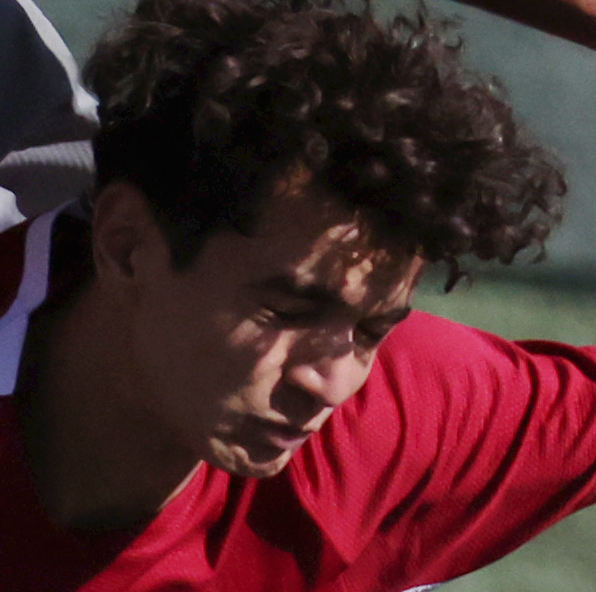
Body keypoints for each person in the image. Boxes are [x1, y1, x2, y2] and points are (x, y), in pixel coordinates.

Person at [2, 0, 596, 591]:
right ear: (127, 245)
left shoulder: (390, 424)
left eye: (372, 331)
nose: (330, 383)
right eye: (287, 310)